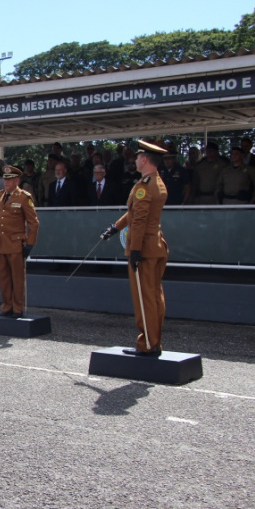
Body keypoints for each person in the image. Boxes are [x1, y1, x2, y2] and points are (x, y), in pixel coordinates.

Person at [100, 140, 169, 357]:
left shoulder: (143, 186)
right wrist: (115, 227)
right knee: (155, 296)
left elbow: (139, 221)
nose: (135, 160)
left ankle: (147, 343)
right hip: (156, 245)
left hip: (144, 249)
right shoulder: (156, 182)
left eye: (138, 157)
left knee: (144, 297)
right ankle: (154, 341)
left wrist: (135, 250)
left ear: (145, 159)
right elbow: (133, 215)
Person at [0, 166, 39, 318]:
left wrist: (30, 244)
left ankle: (17, 309)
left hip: (16, 244)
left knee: (17, 278)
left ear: (17, 181)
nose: (6, 182)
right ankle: (6, 307)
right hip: (1, 243)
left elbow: (34, 223)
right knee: (3, 278)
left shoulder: (23, 197)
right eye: (5, 179)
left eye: (9, 180)